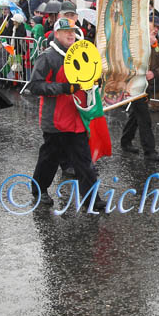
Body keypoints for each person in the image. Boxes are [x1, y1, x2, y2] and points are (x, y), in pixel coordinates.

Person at [28, 19, 104, 210]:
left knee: (84, 161)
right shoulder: (47, 57)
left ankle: (91, 199)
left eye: (72, 31)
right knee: (49, 160)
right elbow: (35, 85)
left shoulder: (81, 52)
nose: (70, 34)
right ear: (56, 34)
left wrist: (96, 81)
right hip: (55, 120)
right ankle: (39, 190)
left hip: (76, 118)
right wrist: (63, 88)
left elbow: (88, 78)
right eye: (65, 32)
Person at [121, 15, 159, 161]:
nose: (156, 30)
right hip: (135, 85)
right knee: (144, 118)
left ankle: (125, 141)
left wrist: (154, 73)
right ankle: (149, 151)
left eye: (158, 28)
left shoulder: (155, 44)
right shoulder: (136, 42)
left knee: (136, 115)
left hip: (146, 86)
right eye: (154, 27)